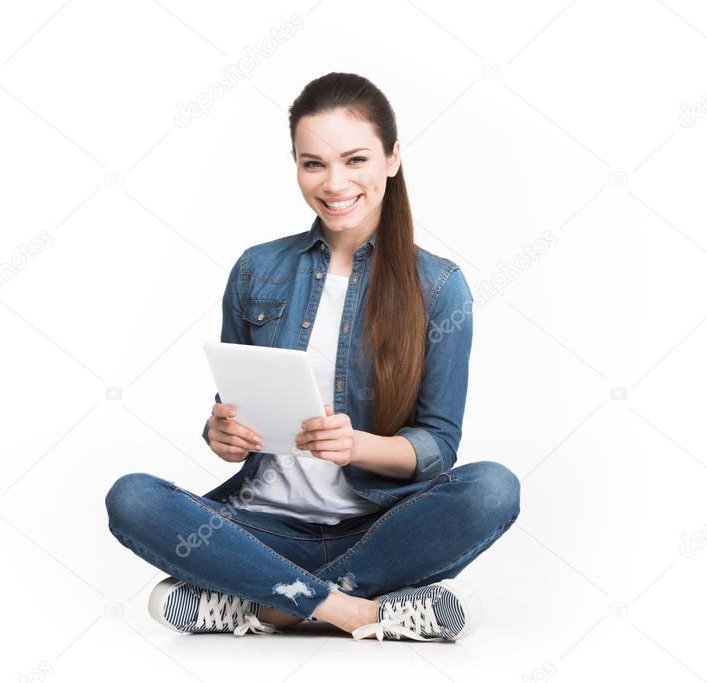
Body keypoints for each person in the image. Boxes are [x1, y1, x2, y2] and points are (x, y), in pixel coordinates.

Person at [104, 72, 520, 642]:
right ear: (296, 165)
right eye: (313, 163)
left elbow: (439, 448)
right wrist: (220, 433)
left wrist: (358, 446)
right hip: (259, 525)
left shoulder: (439, 286)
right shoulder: (257, 269)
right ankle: (357, 612)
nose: (334, 182)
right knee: (132, 497)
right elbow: (235, 408)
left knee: (493, 488)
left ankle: (266, 605)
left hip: (376, 530)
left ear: (393, 159)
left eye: (355, 159)